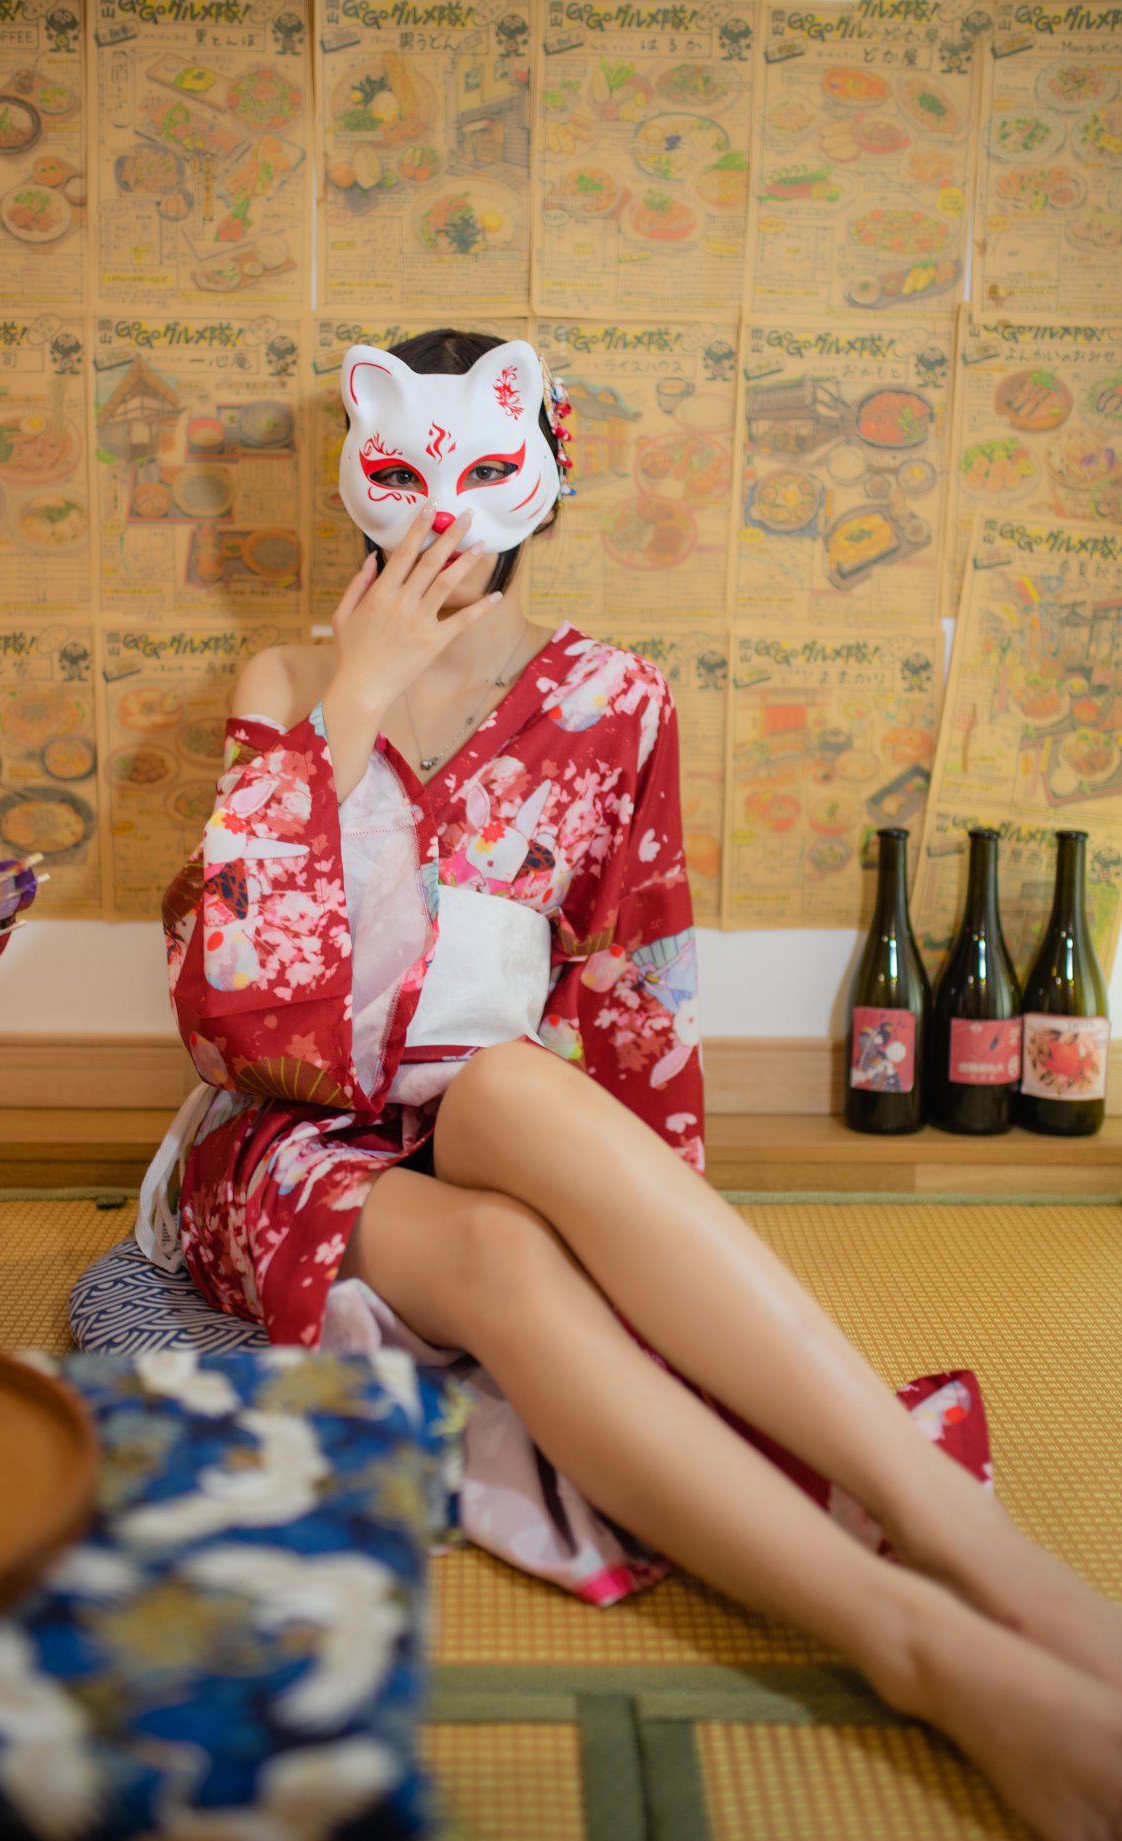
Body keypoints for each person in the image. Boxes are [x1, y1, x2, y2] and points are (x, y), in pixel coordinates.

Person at [146, 329, 1122, 1841]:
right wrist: (356, 699)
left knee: (517, 1093)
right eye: (404, 476)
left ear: (543, 476)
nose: (441, 515)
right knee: (503, 1254)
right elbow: (226, 1003)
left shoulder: (613, 696)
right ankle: (922, 1651)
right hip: (284, 1133)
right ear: (359, 474)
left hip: (483, 1102)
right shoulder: (290, 677)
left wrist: (660, 1243)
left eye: (483, 472)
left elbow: (631, 984)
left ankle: (996, 1568)